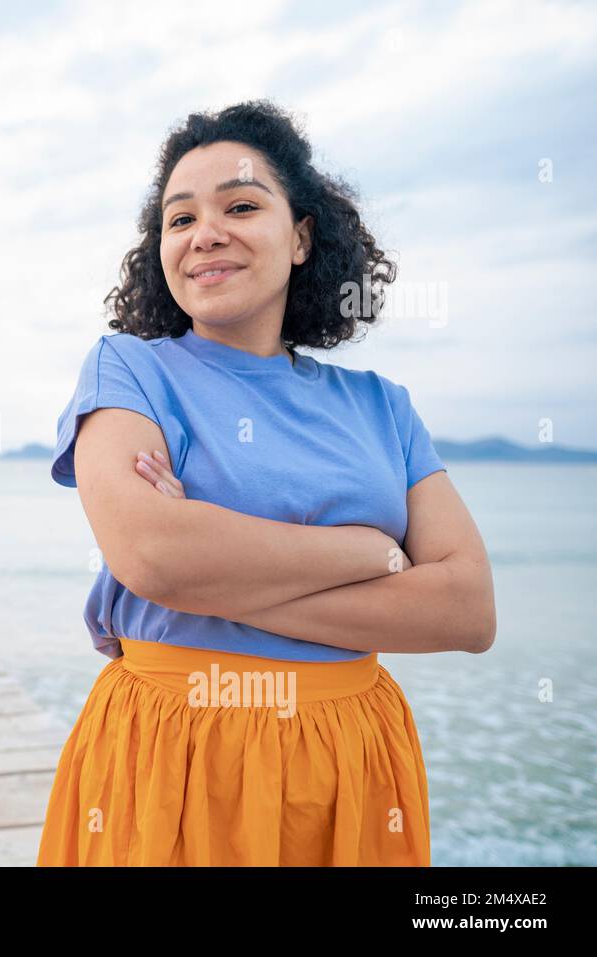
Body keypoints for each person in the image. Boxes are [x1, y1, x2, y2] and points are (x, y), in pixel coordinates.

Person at [36, 99, 496, 867]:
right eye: (179, 220)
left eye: (240, 205)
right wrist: (369, 550)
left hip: (348, 760)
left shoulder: (382, 406)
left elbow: (468, 609)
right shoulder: (128, 369)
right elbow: (155, 558)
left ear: (303, 236)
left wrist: (212, 571)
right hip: (175, 756)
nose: (204, 232)